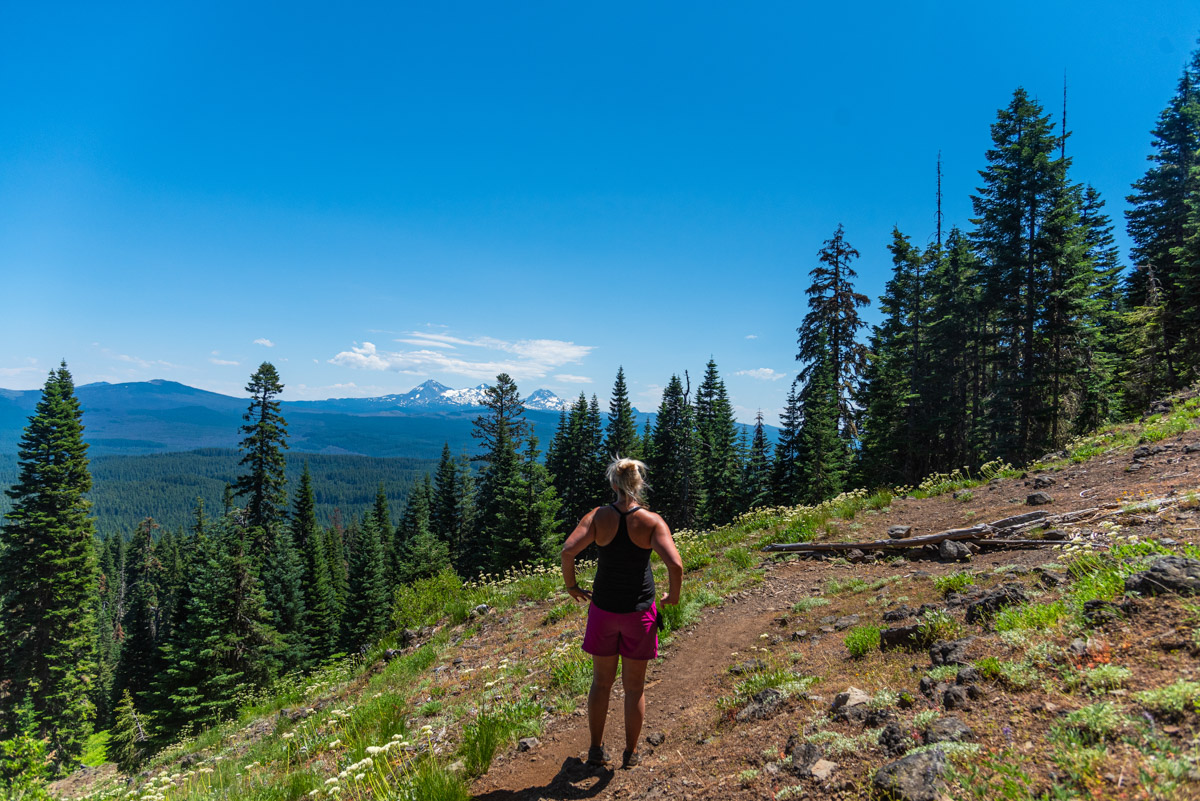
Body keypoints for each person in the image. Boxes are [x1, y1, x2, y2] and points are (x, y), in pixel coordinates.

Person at [561, 456, 683, 770]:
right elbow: (676, 565)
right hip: (639, 614)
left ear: (614, 484)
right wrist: (673, 595)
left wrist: (572, 586)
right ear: (638, 484)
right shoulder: (652, 522)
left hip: (603, 610)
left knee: (601, 683)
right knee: (634, 688)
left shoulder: (599, 517)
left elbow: (568, 551)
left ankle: (596, 750)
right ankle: (631, 753)